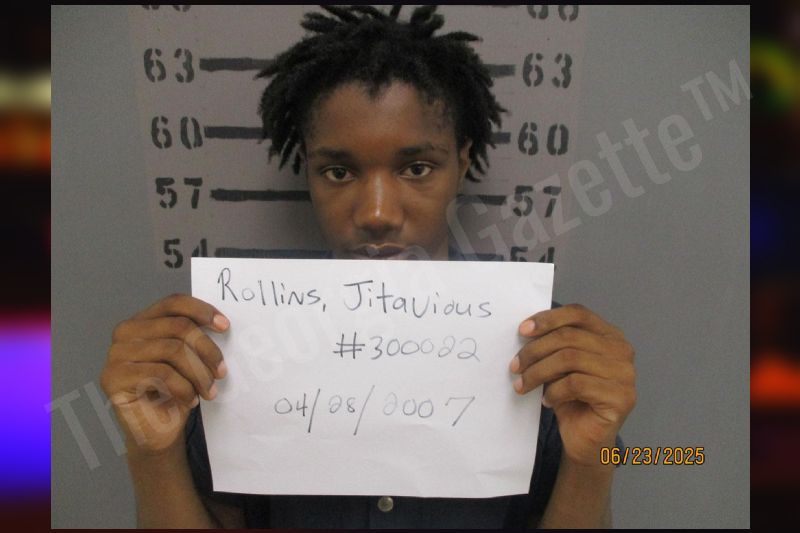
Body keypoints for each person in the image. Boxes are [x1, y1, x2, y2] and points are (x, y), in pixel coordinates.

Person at [101, 5, 636, 528]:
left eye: (417, 168)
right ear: (308, 172)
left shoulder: (547, 349)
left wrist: (593, 461)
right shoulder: (230, 345)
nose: (377, 213)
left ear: (462, 162)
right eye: (338, 172)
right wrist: (153, 454)